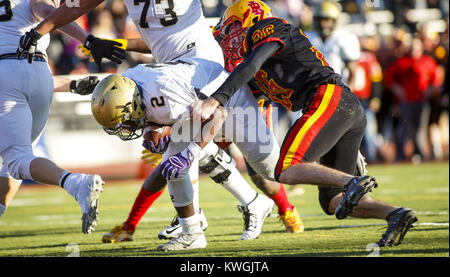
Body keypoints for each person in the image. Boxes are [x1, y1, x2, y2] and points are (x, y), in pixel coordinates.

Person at [18, 0, 304, 240]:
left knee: (255, 167)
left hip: (204, 76)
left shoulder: (234, 35)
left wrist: (44, 31)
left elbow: (75, 7)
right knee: (177, 156)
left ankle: (264, 206)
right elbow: (152, 38)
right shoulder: (209, 32)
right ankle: (201, 220)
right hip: (177, 70)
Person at [175, 0, 418, 247]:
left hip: (329, 97)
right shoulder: (258, 64)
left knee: (286, 168)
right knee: (334, 202)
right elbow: (243, 91)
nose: (228, 38)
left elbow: (251, 66)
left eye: (231, 29)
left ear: (247, 20)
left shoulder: (268, 27)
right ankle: (395, 214)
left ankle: (350, 180)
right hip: (342, 110)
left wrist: (217, 99)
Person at [89, 56, 293, 250]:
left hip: (232, 102)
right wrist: (153, 129)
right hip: (195, 98)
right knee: (172, 166)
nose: (126, 128)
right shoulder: (131, 83)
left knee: (274, 170)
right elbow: (156, 113)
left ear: (131, 103)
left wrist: (190, 152)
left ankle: (297, 187)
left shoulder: (165, 96)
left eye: (125, 121)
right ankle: (192, 232)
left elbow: (216, 114)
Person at [0, 0, 106, 234]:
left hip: (6, 72)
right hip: (39, 71)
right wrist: (73, 82)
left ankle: (76, 183)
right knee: (16, 160)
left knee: (17, 159)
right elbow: (50, 13)